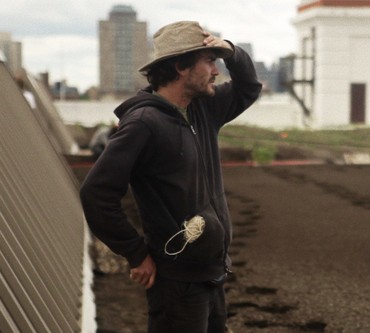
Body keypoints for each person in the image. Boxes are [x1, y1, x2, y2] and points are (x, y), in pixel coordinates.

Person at [80, 21, 262, 332]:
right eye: (209, 62)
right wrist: (137, 254)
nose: (217, 72)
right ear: (180, 66)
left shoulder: (204, 108)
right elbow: (96, 193)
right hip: (177, 285)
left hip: (211, 274)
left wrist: (230, 50)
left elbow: (248, 87)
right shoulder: (143, 123)